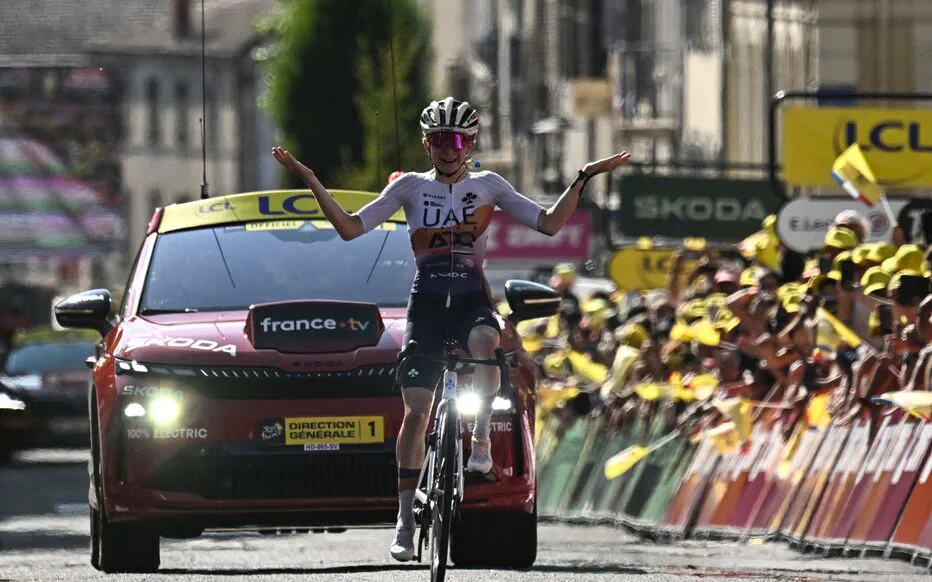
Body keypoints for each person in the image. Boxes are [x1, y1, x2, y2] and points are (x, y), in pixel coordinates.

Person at [271, 96, 631, 562]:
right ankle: (404, 520)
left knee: (487, 340)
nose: (449, 148)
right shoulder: (410, 188)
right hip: (426, 304)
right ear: (427, 144)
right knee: (417, 411)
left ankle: (479, 444)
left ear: (471, 144)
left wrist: (583, 176)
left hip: (469, 299)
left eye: (458, 140)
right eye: (440, 139)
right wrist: (311, 179)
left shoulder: (489, 186)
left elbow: (548, 223)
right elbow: (351, 228)